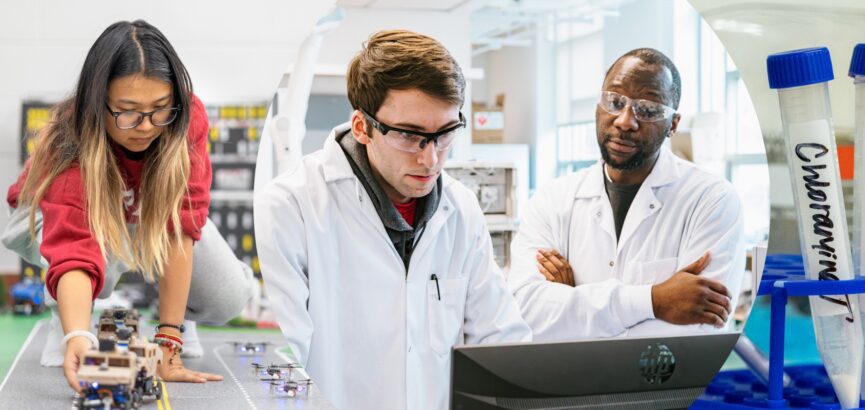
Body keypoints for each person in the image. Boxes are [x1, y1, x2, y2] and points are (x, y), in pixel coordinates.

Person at [254, 29, 531, 409]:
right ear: (361, 127)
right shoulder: (292, 206)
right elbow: (284, 362)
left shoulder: (461, 209)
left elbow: (501, 343)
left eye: (446, 134)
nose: (430, 158)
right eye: (409, 135)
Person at [2, 20, 253, 391]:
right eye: (128, 111)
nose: (146, 127)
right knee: (95, 266)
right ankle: (70, 319)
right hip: (45, 213)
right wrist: (78, 338)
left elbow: (181, 228)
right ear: (97, 103)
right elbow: (75, 249)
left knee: (228, 295)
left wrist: (169, 341)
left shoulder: (185, 120)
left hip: (140, 208)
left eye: (159, 109)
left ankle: (178, 316)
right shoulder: (71, 139)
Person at [507, 48, 745, 341]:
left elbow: (700, 326)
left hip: (667, 388)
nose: (624, 121)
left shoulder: (712, 200)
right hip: (567, 385)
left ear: (673, 124)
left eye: (647, 110)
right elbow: (524, 312)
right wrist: (655, 301)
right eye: (615, 101)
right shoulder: (552, 200)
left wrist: (573, 304)